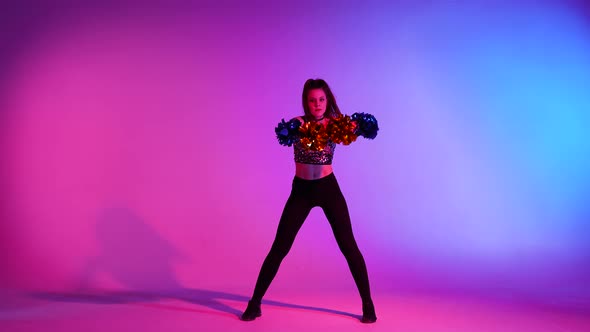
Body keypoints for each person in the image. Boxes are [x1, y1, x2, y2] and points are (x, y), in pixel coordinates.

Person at [241, 78, 378, 323]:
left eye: (322, 100)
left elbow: (369, 126)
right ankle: (254, 303)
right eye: (312, 100)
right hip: (301, 191)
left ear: (328, 100)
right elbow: (283, 133)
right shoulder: (299, 123)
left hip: (328, 188)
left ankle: (368, 305)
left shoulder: (337, 124)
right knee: (280, 247)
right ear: (306, 101)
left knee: (349, 246)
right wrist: (290, 129)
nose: (317, 104)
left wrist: (362, 125)